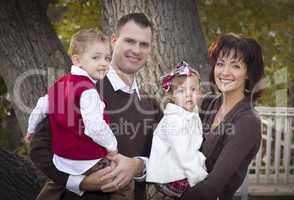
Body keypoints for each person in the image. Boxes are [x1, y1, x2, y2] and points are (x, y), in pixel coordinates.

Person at [30, 13, 163, 200]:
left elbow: (164, 158)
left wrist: (137, 166)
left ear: (150, 49)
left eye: (144, 44)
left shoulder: (151, 105)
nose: (136, 49)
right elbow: (39, 149)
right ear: (114, 41)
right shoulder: (79, 89)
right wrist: (80, 182)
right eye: (130, 41)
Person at [180, 33, 264, 200]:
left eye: (235, 66)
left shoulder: (248, 122)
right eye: (220, 64)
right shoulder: (208, 103)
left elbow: (212, 187)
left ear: (248, 73)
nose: (225, 72)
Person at [146, 61, 208, 200]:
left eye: (193, 89)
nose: (188, 95)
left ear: (199, 92)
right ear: (172, 96)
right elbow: (184, 154)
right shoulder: (174, 119)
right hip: (170, 177)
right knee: (204, 190)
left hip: (180, 169)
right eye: (181, 91)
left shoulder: (191, 114)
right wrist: (200, 177)